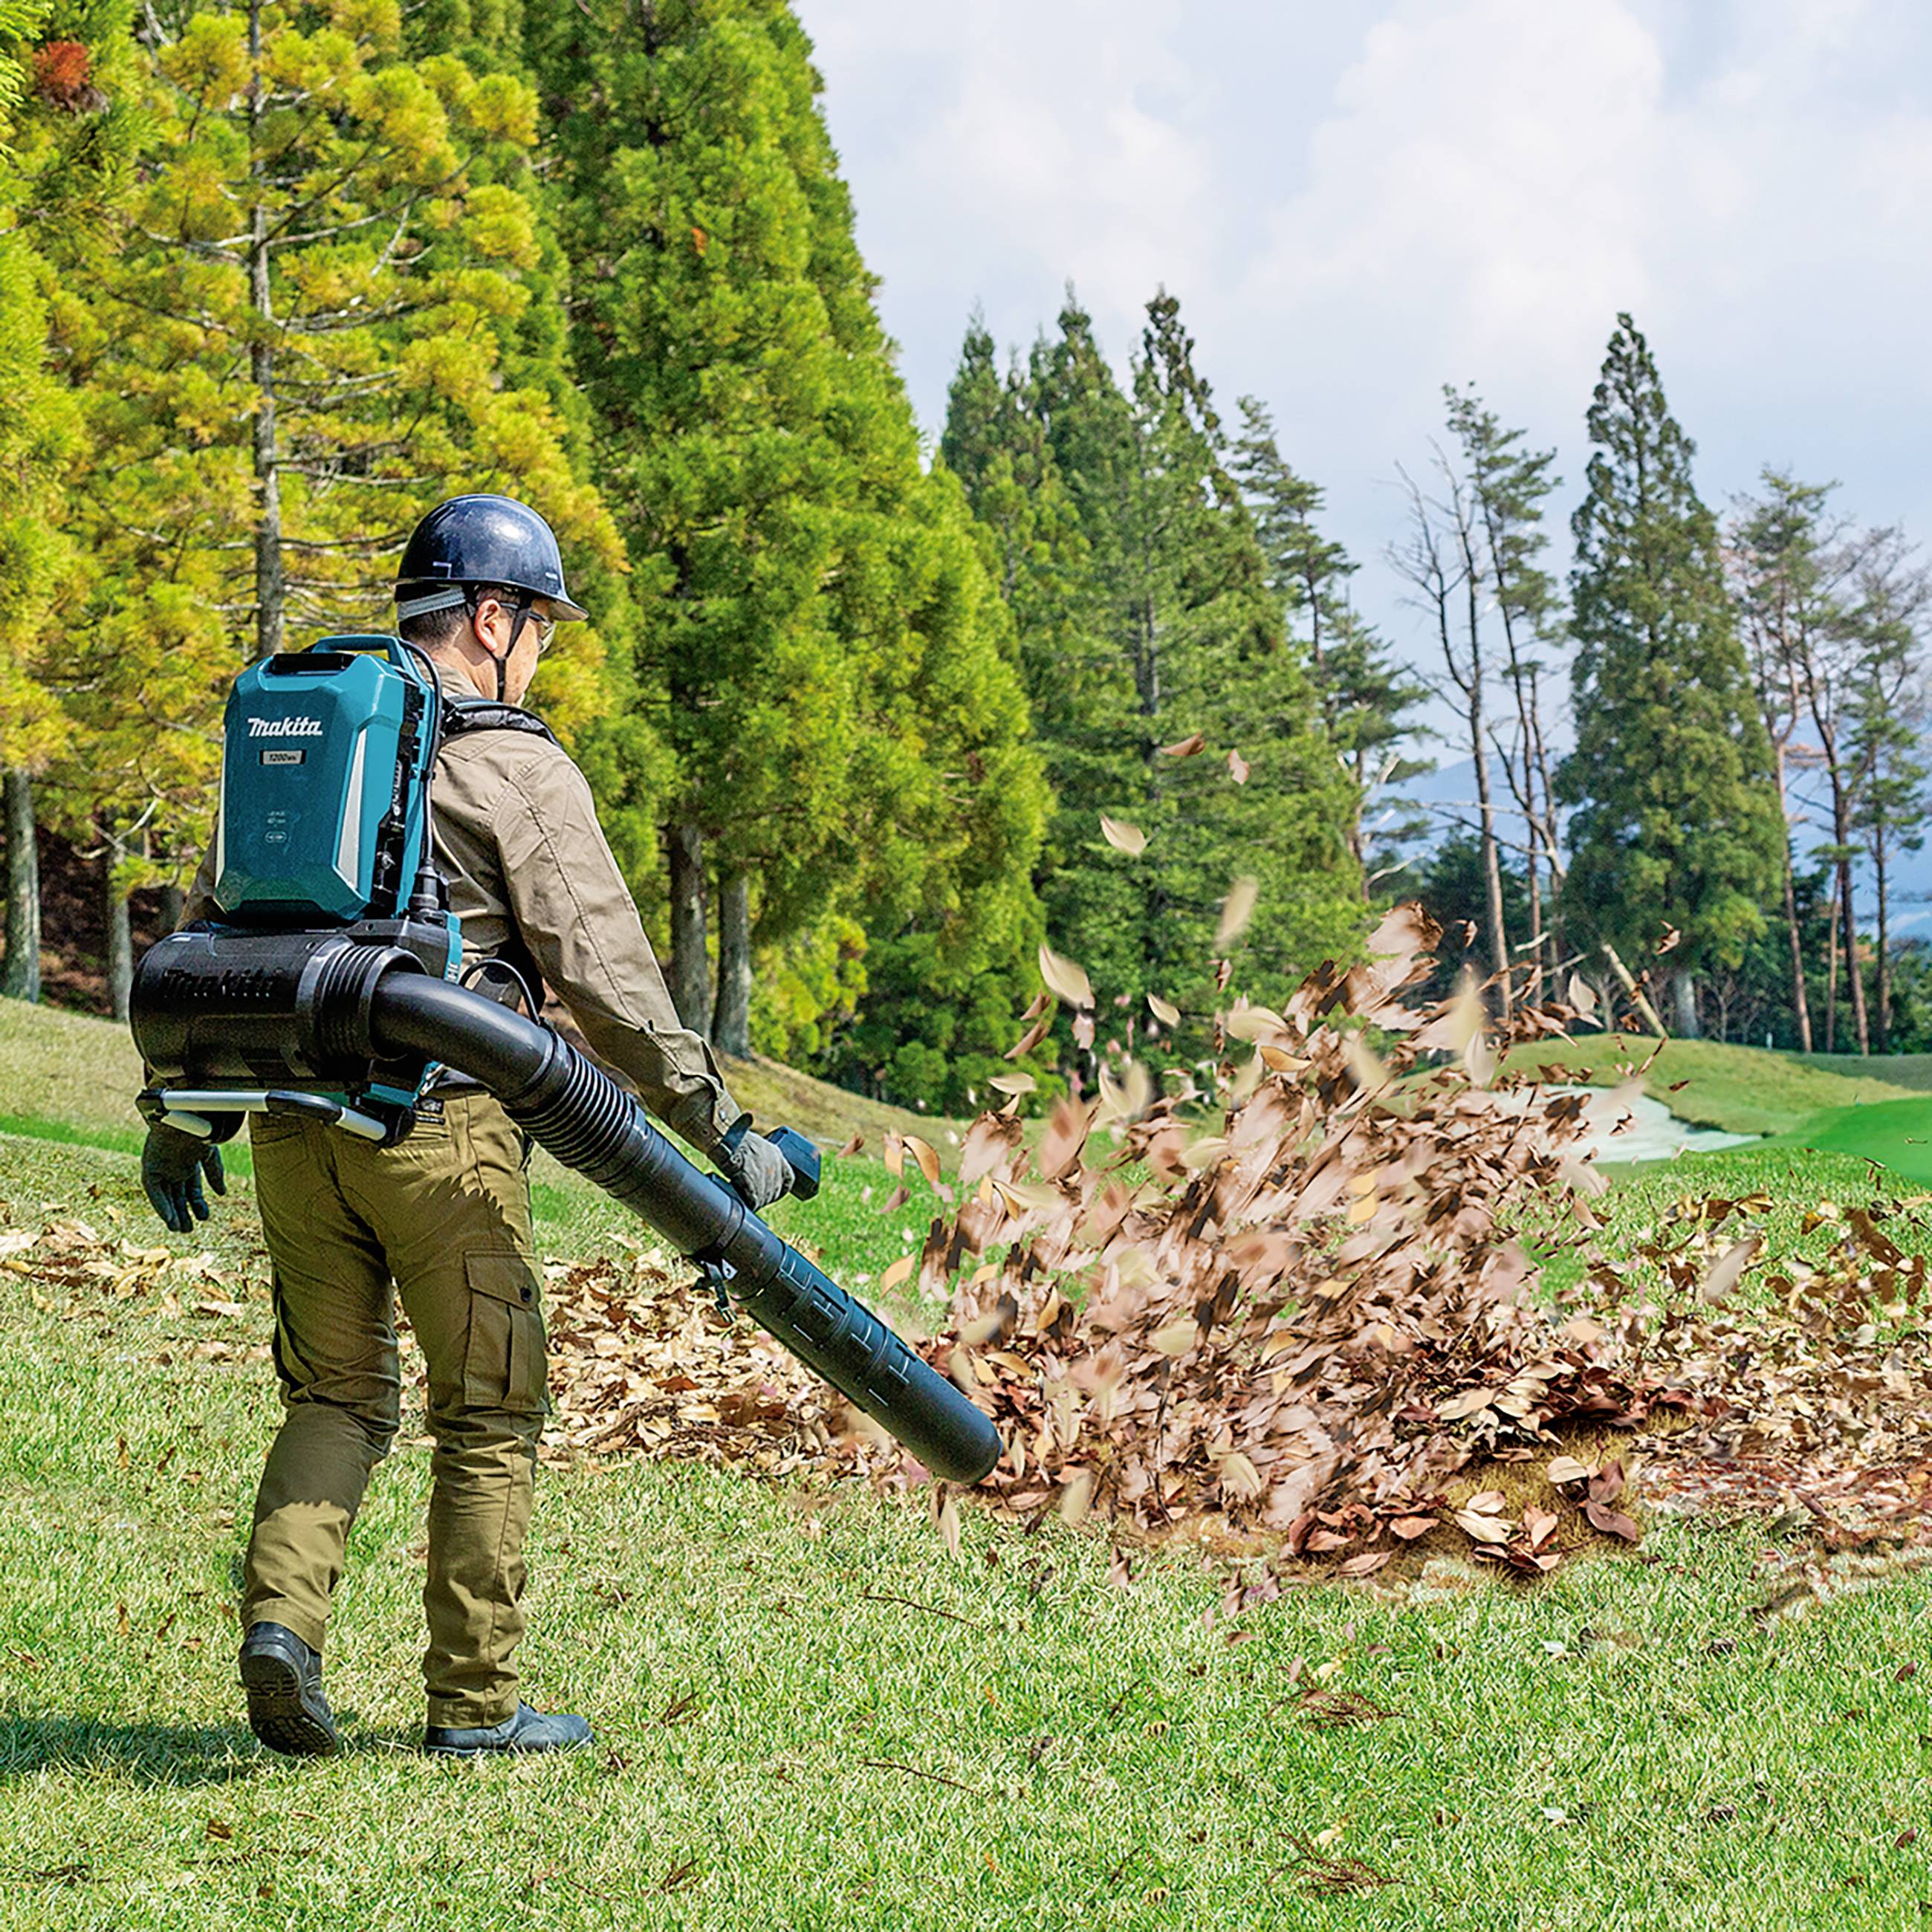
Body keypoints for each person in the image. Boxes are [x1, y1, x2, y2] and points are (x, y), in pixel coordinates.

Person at [143, 494, 789, 1759]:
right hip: (441, 1132)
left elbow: (232, 944)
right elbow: (605, 969)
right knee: (489, 1411)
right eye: (540, 624)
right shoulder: (513, 763)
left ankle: (284, 1633)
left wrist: (179, 1120)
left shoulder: (315, 744)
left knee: (335, 1392)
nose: (543, 649)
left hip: (293, 1120)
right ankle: (475, 1709)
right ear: (490, 621)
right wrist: (723, 1121)